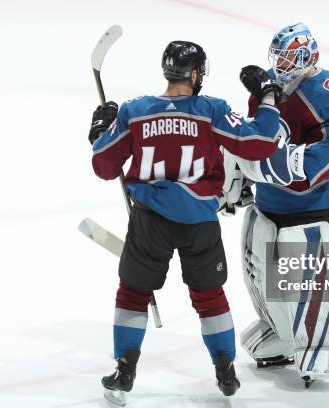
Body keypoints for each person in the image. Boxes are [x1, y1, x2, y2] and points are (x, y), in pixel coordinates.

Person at [87, 40, 284, 399]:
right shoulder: (211, 110)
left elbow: (104, 166)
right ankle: (225, 371)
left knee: (133, 293)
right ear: (195, 74)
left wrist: (100, 132)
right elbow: (261, 143)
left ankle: (125, 368)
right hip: (199, 222)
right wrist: (268, 98)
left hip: (150, 223)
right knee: (210, 296)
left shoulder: (135, 111)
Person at [224, 22, 329, 387]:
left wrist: (267, 165)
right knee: (258, 254)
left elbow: (327, 155)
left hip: (318, 203)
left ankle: (323, 346)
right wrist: (234, 180)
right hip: (272, 202)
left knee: (303, 265)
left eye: (287, 56)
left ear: (305, 55)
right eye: (277, 56)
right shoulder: (270, 86)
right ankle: (280, 332)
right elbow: (257, 136)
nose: (280, 64)